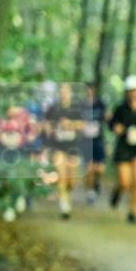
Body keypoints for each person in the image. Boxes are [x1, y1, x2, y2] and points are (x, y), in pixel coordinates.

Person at [110, 75, 136, 225]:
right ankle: (118, 191)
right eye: (130, 90)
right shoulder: (120, 109)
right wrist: (117, 128)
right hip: (124, 148)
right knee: (125, 182)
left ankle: (132, 211)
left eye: (135, 90)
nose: (133, 93)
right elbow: (112, 124)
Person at [44, 83, 86, 219]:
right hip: (58, 146)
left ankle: (67, 194)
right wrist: (50, 129)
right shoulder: (53, 108)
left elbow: (83, 125)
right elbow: (46, 124)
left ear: (70, 93)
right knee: (61, 175)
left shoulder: (76, 108)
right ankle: (64, 205)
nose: (63, 93)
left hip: (73, 147)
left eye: (66, 91)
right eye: (61, 91)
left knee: (71, 180)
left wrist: (70, 124)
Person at [80, 83, 107, 204]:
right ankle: (90, 192)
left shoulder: (100, 104)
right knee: (89, 167)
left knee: (100, 169)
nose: (89, 91)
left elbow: (107, 118)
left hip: (98, 141)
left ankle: (96, 183)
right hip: (86, 141)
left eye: (91, 89)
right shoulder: (81, 106)